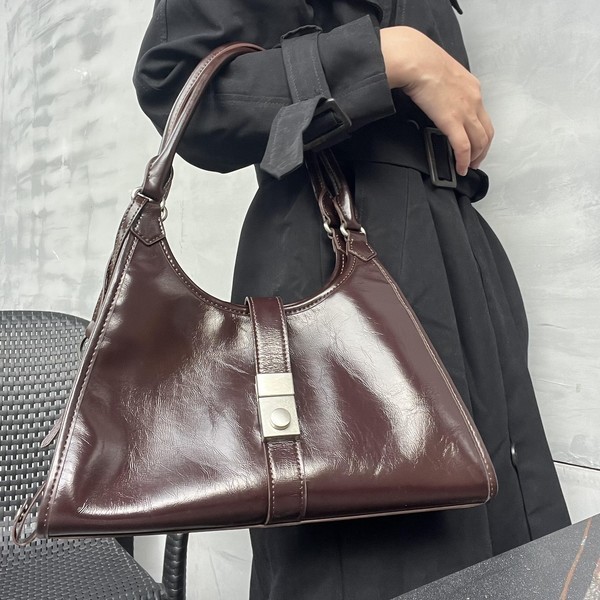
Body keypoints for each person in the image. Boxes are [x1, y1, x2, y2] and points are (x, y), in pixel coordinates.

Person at [133, 1, 571, 598]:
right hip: (336, 261)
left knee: (510, 541)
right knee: (379, 561)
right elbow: (181, 86)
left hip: (458, 253)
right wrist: (385, 56)